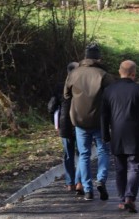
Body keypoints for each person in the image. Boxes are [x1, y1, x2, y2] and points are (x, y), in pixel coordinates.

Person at [101, 60, 139, 213]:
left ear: (120, 72)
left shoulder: (109, 90)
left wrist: (105, 134)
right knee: (135, 167)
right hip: (135, 134)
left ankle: (121, 199)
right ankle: (130, 197)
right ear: (134, 73)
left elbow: (104, 115)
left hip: (117, 134)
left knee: (120, 168)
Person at [63, 43, 115, 201]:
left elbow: (66, 95)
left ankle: (87, 190)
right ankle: (101, 179)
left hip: (79, 121)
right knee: (103, 151)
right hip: (100, 121)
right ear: (98, 58)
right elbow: (114, 95)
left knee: (83, 154)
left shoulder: (74, 74)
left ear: (85, 57)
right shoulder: (104, 75)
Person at [55, 62, 83, 195]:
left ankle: (69, 182)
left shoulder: (59, 87)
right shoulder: (82, 86)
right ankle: (79, 181)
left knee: (68, 155)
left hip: (64, 124)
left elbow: (51, 107)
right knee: (81, 153)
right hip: (79, 124)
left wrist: (55, 122)